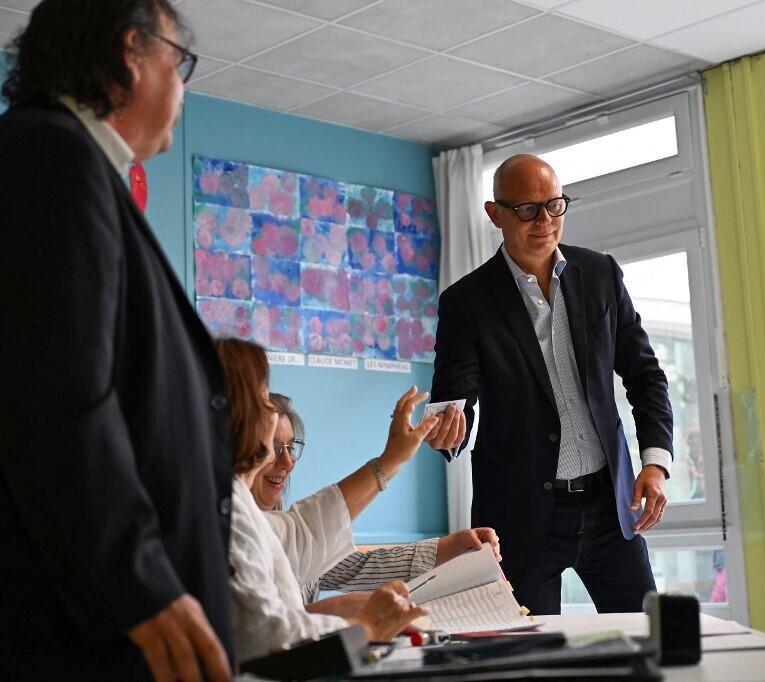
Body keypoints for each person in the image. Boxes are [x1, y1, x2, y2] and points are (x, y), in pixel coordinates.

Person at [0, 2, 232, 680]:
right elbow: (59, 395)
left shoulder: (66, 165)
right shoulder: (52, 159)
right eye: (179, 64)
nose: (183, 89)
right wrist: (140, 581)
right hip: (99, 633)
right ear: (133, 52)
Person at [427, 154, 674, 615]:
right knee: (527, 656)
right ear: (494, 213)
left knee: (648, 640)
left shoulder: (600, 275)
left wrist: (655, 464)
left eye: (554, 205)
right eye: (527, 210)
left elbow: (645, 375)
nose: (544, 221)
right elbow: (454, 398)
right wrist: (448, 428)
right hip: (519, 517)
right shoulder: (466, 302)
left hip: (609, 507)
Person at [215, 338, 430, 662]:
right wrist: (364, 626)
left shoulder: (236, 502)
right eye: (262, 398)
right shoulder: (225, 506)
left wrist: (392, 459)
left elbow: (303, 532)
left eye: (291, 446)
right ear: (237, 414)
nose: (272, 411)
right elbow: (266, 639)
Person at [260, 393, 501, 609]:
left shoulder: (295, 533)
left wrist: (455, 544)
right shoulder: (239, 532)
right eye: (273, 447)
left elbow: (362, 567)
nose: (288, 462)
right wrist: (337, 612)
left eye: (291, 447)